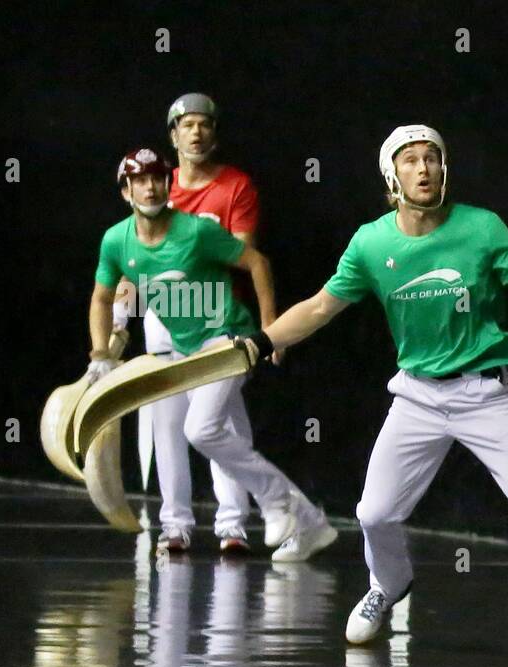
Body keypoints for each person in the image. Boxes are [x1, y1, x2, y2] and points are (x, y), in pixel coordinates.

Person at [237, 125, 508, 656]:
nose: (424, 169)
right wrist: (259, 342)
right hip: (417, 397)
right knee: (373, 514)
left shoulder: (482, 228)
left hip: (485, 395)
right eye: (411, 161)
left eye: (432, 159)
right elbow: (320, 307)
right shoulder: (371, 243)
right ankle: (386, 584)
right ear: (391, 176)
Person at [87, 147, 337, 563]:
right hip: (185, 349)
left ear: (168, 185)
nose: (150, 187)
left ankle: (278, 506)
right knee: (220, 433)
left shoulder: (196, 231)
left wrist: (271, 331)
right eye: (140, 180)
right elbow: (101, 298)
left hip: (228, 339)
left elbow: (257, 263)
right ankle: (303, 516)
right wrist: (100, 351)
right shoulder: (116, 241)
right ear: (126, 191)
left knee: (201, 430)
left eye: (157, 178)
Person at [112, 93, 286, 554]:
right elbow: (135, 261)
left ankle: (233, 525)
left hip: (214, 317)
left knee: (219, 422)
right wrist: (119, 324)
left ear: (214, 132)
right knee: (169, 424)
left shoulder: (235, 187)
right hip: (163, 319)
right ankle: (176, 525)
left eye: (204, 124)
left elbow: (241, 258)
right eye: (186, 125)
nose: (195, 132)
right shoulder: (154, 185)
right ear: (172, 135)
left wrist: (270, 331)